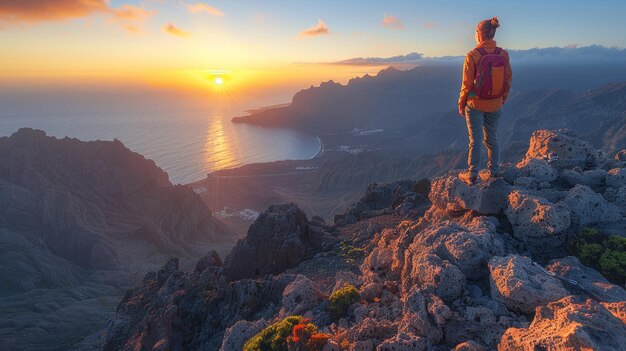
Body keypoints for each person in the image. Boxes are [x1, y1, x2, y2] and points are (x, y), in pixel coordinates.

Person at [458, 17, 512, 185]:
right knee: (492, 138)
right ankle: (494, 172)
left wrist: (461, 103)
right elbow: (508, 79)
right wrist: (502, 98)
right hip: (496, 104)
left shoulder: (472, 55)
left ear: (480, 35)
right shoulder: (503, 54)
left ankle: (473, 174)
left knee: (475, 140)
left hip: (475, 104)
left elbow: (466, 84)